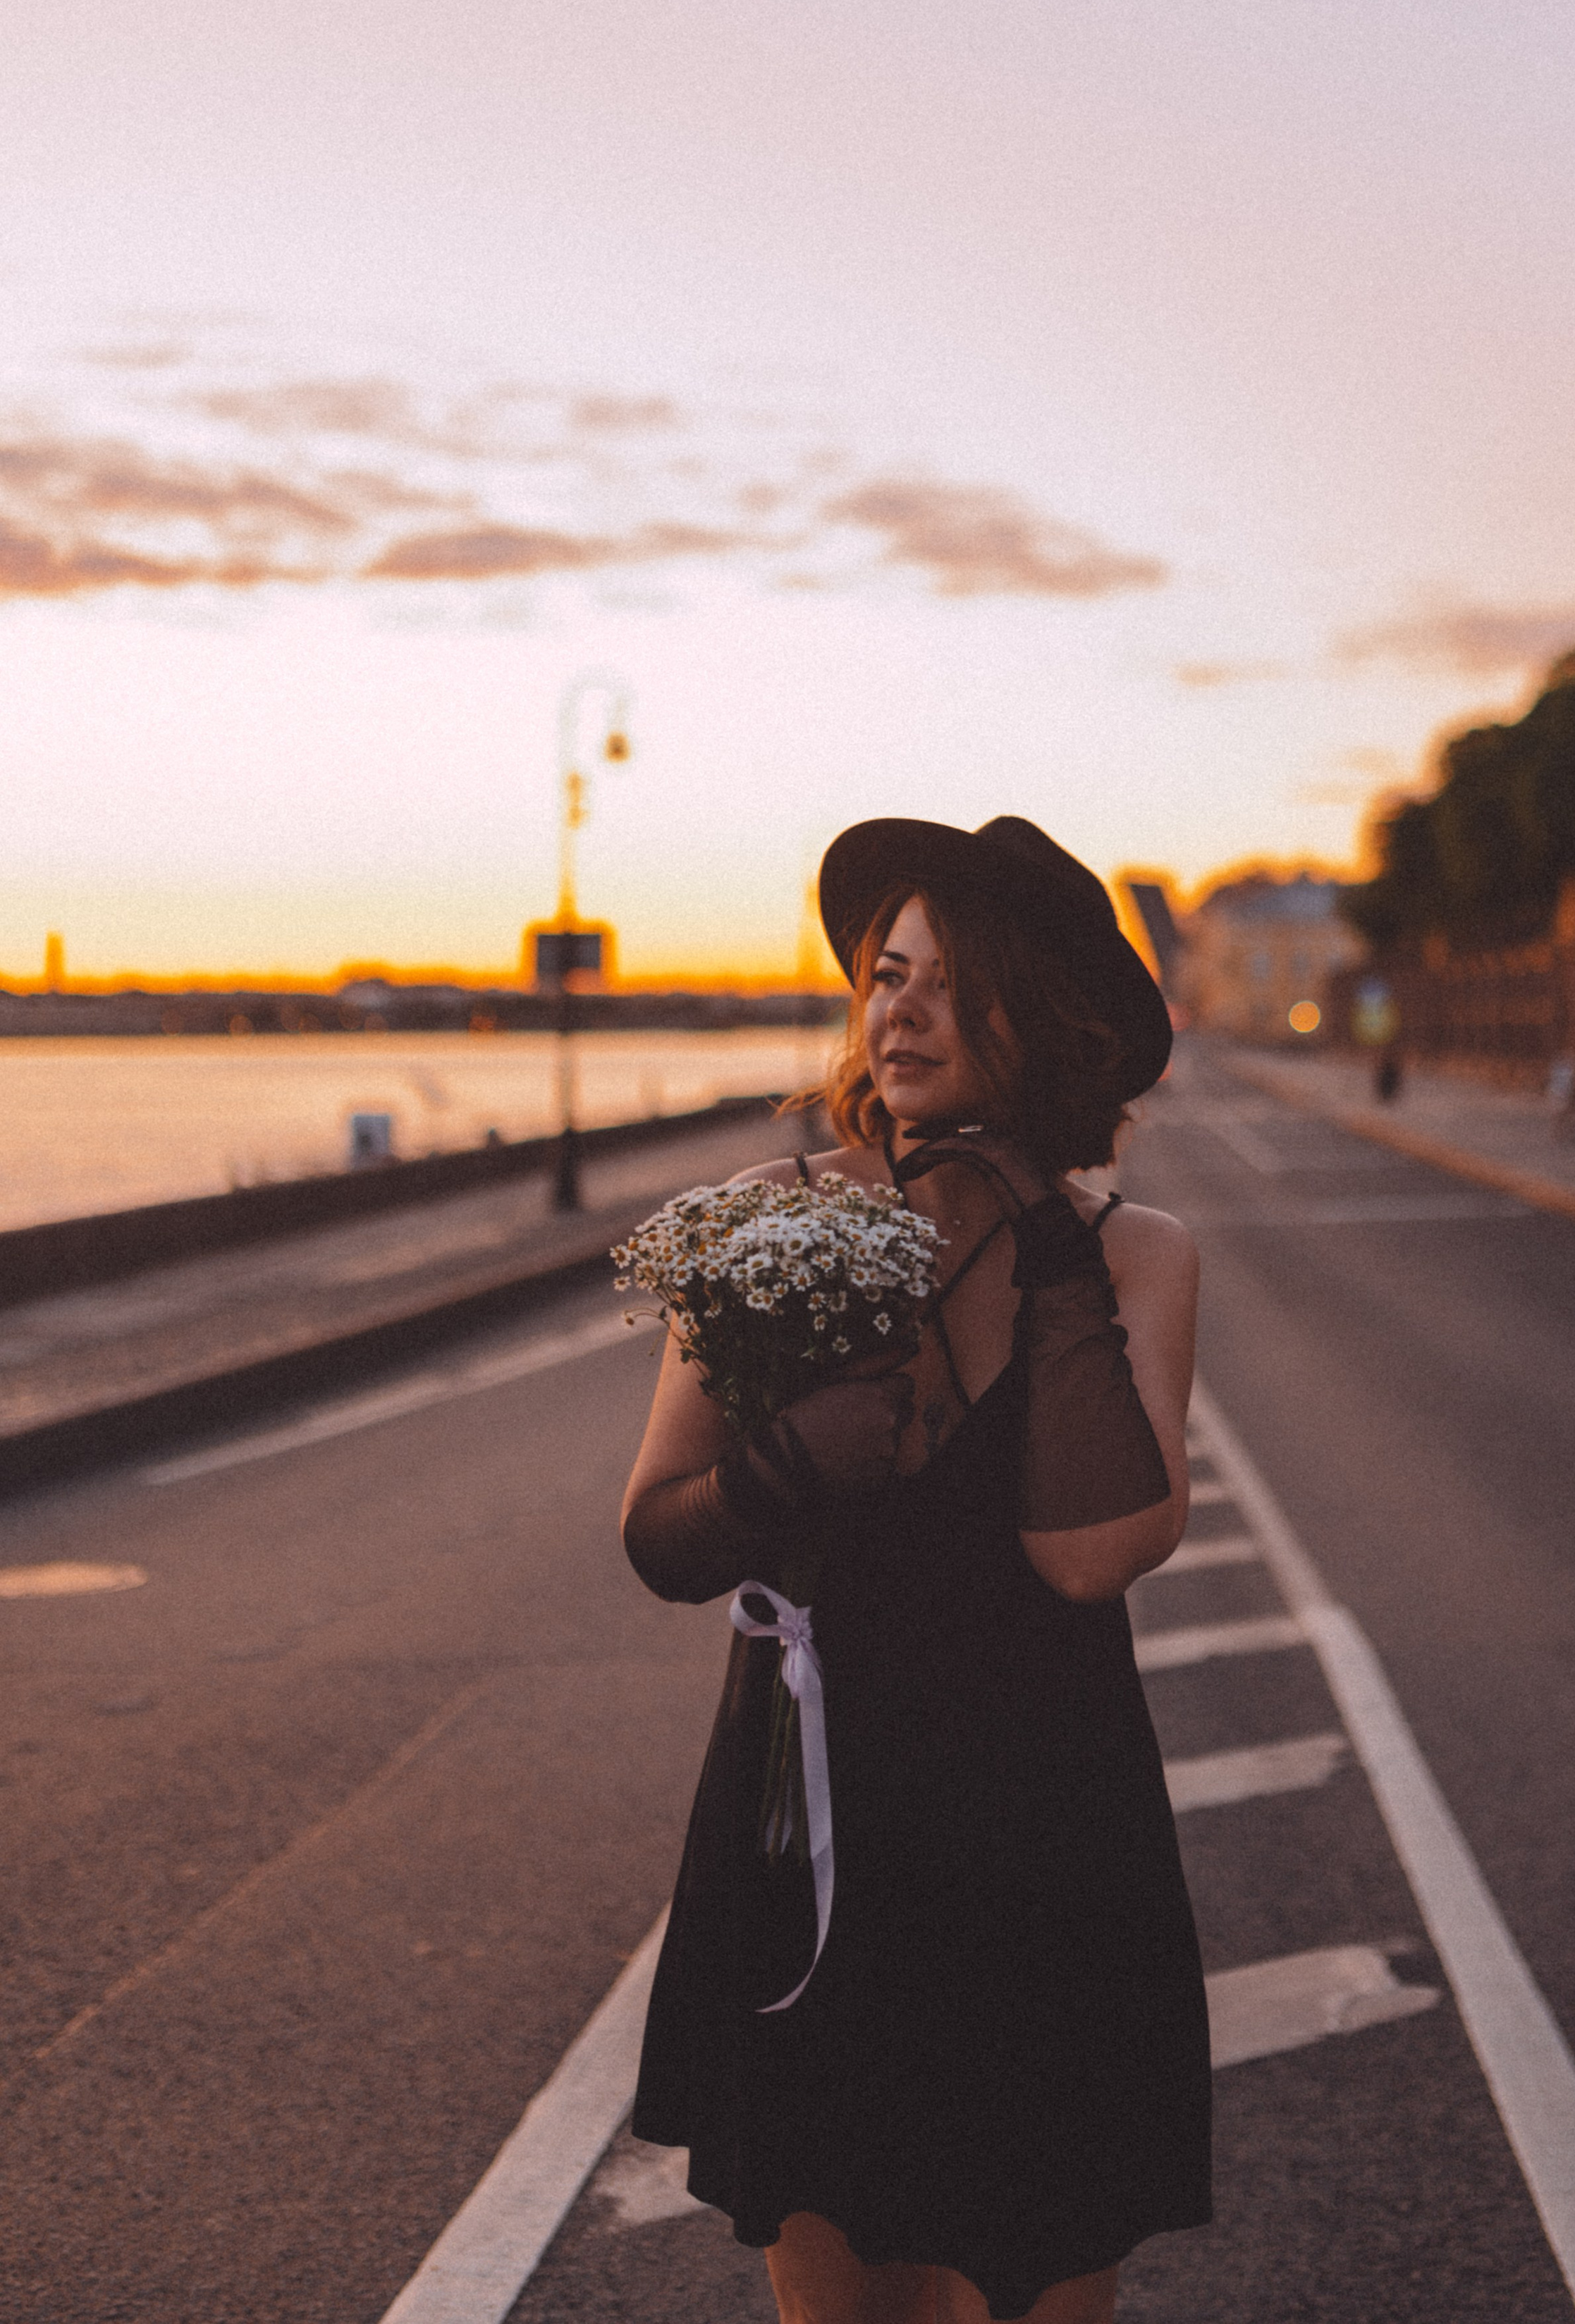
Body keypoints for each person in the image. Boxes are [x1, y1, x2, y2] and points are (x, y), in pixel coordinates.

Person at [620, 816, 1212, 2324]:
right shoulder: (770, 1221)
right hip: (815, 1827)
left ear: (1045, 1021)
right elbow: (654, 1531)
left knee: (1042, 2280)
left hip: (1042, 1842)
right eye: (886, 976)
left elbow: (1088, 1555)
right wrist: (780, 1463)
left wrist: (1029, 1221)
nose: (900, 1010)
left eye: (954, 984)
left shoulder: (1134, 1255)